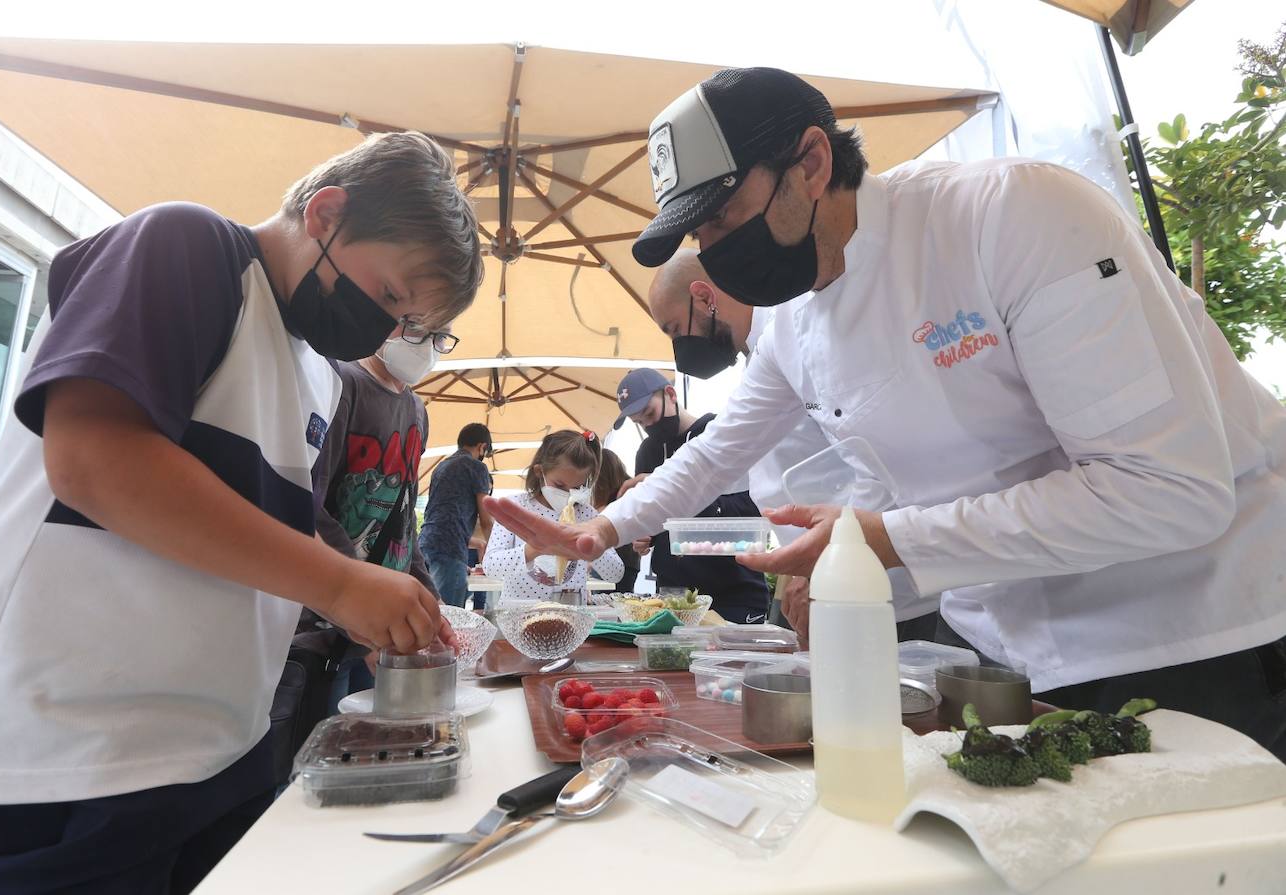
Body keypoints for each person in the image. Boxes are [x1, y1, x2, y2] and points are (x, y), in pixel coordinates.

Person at [484, 67, 1286, 760]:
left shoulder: (1012, 217)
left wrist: (890, 537)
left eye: (723, 218)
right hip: (1011, 662)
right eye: (701, 232)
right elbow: (719, 449)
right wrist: (604, 530)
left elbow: (1169, 489)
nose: (717, 250)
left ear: (811, 161)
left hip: (1198, 636)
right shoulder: (795, 319)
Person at [0, 131, 483, 893]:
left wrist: (365, 605)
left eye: (408, 322)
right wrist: (341, 585)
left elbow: (283, 530)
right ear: (326, 213)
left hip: (219, 758)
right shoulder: (186, 246)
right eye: (387, 296)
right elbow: (92, 459)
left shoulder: (318, 374)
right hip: (52, 763)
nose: (384, 331)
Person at [646, 249, 946, 642]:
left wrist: (825, 564)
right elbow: (725, 460)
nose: (680, 347)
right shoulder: (763, 356)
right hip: (833, 577)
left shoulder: (805, 336)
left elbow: (876, 461)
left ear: (704, 298)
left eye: (674, 329)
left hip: (881, 584)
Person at [307, 323, 458, 711]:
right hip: (325, 623)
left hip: (384, 624)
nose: (428, 346)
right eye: (419, 329)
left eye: (440, 337)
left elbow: (406, 520)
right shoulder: (343, 384)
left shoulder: (416, 411)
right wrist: (362, 616)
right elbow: (310, 507)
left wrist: (431, 603)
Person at [614, 368, 771, 624]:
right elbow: (658, 520)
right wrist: (647, 534)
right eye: (639, 423)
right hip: (673, 592)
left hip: (733, 588)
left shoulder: (717, 433)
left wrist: (667, 494)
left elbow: (750, 510)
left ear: (671, 394)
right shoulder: (647, 452)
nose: (648, 426)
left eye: (650, 414)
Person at [483, 430, 622, 602]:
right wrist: (535, 549)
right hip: (520, 614)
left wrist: (592, 546)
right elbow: (490, 566)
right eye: (559, 485)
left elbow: (616, 573)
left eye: (577, 488)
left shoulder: (588, 516)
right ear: (539, 471)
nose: (568, 494)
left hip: (570, 616)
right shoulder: (516, 507)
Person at [419, 422, 494, 608]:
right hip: (449, 546)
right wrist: (496, 553)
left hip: (425, 543)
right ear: (482, 447)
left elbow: (443, 513)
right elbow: (486, 520)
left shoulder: (441, 467)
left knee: (427, 608)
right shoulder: (477, 468)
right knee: (449, 617)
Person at [592, 449, 641, 592]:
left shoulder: (615, 503)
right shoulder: (629, 494)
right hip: (629, 562)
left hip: (618, 561)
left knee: (609, 605)